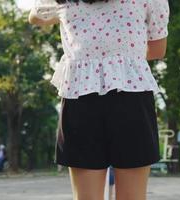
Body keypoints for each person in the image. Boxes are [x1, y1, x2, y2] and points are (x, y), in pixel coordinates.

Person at [28, 0, 169, 199]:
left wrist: (65, 13)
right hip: (130, 92)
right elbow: (157, 50)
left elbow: (35, 17)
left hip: (81, 93)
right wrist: (121, 55)